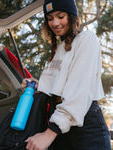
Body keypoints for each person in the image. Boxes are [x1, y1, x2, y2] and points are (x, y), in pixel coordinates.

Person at [21, 0, 111, 149]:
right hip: (60, 124)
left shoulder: (86, 39)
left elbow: (79, 90)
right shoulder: (59, 49)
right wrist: (38, 85)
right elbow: (59, 86)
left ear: (72, 16)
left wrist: (50, 133)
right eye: (50, 19)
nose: (55, 23)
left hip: (85, 125)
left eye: (60, 16)